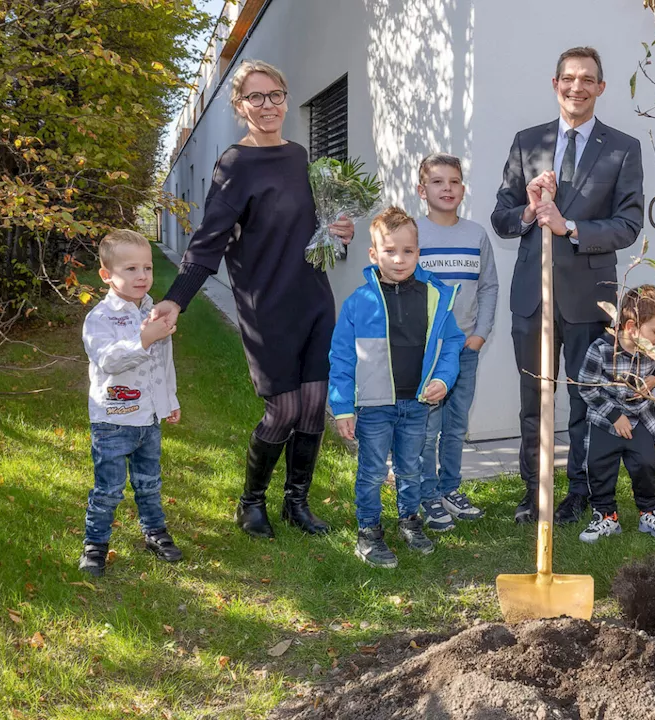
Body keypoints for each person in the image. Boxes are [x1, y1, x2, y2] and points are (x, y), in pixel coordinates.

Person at [151, 60, 355, 539]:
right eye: (255, 98)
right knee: (282, 410)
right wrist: (176, 300)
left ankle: (296, 503)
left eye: (275, 95)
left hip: (313, 297)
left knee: (312, 404)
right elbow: (208, 241)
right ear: (239, 105)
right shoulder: (234, 165)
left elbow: (310, 227)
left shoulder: (300, 154)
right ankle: (251, 503)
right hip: (266, 305)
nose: (268, 106)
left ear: (286, 96)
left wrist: (337, 232)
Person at [491, 46, 645, 526]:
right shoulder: (526, 141)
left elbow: (629, 224)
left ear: (601, 87)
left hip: (588, 298)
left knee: (586, 402)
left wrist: (569, 227)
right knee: (533, 402)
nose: (576, 87)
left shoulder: (622, 147)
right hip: (531, 299)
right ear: (555, 83)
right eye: (568, 78)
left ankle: (579, 493)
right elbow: (501, 216)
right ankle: (533, 492)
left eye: (587, 79)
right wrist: (530, 211)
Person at [329, 207, 464, 563]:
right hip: (374, 406)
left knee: (411, 467)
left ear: (419, 252)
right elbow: (340, 357)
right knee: (372, 471)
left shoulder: (435, 295)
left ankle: (409, 520)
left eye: (408, 251)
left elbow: (452, 342)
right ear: (374, 254)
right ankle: (369, 531)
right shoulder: (359, 303)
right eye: (390, 251)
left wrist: (442, 379)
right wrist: (342, 406)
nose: (400, 259)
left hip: (417, 404)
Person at [79, 230, 182, 577]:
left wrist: (169, 399)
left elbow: (163, 361)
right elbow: (108, 360)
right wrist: (144, 339)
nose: (142, 277)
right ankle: (95, 544)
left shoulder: (154, 310)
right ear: (107, 275)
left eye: (148, 268)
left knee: (149, 482)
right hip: (112, 418)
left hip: (148, 418)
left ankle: (155, 532)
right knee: (108, 489)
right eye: (131, 269)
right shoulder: (100, 318)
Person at [416, 152, 498, 526]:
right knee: (428, 427)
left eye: (453, 182)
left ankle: (450, 488)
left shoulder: (476, 235)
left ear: (463, 189)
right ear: (422, 189)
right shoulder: (414, 235)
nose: (446, 188)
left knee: (455, 425)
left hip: (465, 348)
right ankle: (426, 493)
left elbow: (489, 287)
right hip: (428, 353)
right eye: (437, 181)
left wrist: (480, 335)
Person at [575, 285, 655, 543]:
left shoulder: (652, 348)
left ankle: (650, 511)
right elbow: (586, 386)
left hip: (640, 418)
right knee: (600, 467)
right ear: (631, 328)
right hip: (605, 421)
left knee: (645, 464)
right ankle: (606, 516)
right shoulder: (601, 349)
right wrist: (614, 416)